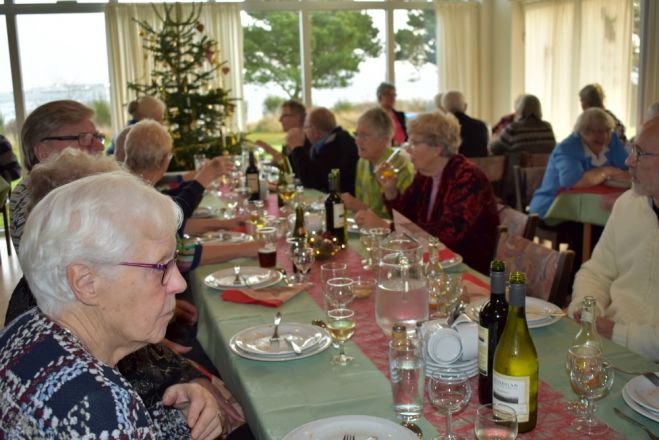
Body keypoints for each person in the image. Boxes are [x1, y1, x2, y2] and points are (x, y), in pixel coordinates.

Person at [3, 149, 248, 438]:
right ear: (86, 282)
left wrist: (174, 418)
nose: (179, 285)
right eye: (160, 266)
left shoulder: (27, 328)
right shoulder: (97, 406)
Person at [355, 112, 499, 274]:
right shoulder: (425, 175)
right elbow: (406, 217)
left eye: (414, 143)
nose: (408, 150)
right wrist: (391, 191)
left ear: (437, 148)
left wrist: (388, 227)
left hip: (463, 269)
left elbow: (447, 234)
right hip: (429, 262)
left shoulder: (467, 177)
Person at [567, 116, 659, 361]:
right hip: (609, 347)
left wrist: (619, 334)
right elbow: (596, 271)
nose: (629, 161)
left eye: (639, 153)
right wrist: (588, 307)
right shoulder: (629, 205)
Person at [124, 119, 248, 239]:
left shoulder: (131, 186)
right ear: (166, 159)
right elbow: (176, 215)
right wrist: (204, 178)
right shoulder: (138, 197)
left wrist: (225, 224)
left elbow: (170, 204)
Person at [10, 100, 105, 255]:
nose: (99, 146)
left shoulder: (79, 188)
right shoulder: (30, 199)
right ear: (43, 151)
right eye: (84, 138)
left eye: (97, 137)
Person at [529, 107, 629, 219]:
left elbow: (629, 170)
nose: (605, 137)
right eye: (598, 131)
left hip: (595, 207)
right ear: (583, 132)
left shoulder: (612, 140)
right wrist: (607, 171)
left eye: (607, 130)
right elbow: (573, 181)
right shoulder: (567, 148)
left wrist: (596, 176)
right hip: (554, 208)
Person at [341, 107, 414, 219]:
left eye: (365, 136)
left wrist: (359, 207)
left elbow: (401, 219)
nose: (357, 141)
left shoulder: (400, 165)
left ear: (384, 139)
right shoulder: (362, 162)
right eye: (357, 134)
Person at [489, 94, 556, 203]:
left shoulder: (514, 128)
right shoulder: (547, 127)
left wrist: (495, 137)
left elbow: (494, 149)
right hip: (544, 182)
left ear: (520, 109)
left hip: (518, 184)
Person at [288, 107, 359, 195]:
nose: (304, 132)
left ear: (316, 131)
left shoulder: (337, 145)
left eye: (306, 127)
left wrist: (297, 148)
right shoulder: (323, 143)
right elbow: (298, 171)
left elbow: (311, 180)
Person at [254, 99, 309, 171]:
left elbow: (293, 168)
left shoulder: (306, 138)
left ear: (297, 117)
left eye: (284, 116)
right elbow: (285, 164)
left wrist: (266, 147)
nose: (280, 120)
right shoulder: (290, 137)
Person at [443, 90, 489, 157]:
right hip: (479, 166)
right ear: (465, 107)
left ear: (445, 109)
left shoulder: (443, 129)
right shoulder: (481, 126)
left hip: (457, 166)